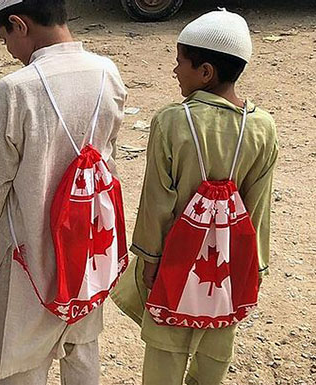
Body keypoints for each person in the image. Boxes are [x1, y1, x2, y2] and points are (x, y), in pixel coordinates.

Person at [111, 9, 278, 385]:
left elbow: (157, 202)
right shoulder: (262, 127)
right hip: (229, 266)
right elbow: (259, 208)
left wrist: (149, 260)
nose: (174, 71)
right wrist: (257, 267)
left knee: (166, 351)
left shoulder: (172, 121)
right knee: (216, 349)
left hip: (175, 260)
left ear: (205, 72)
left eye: (180, 61)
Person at [0, 1, 127, 384]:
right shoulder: (107, 73)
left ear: (18, 24)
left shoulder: (15, 89)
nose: (9, 50)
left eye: (4, 38)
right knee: (81, 350)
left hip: (28, 251)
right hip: (87, 251)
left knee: (23, 363)